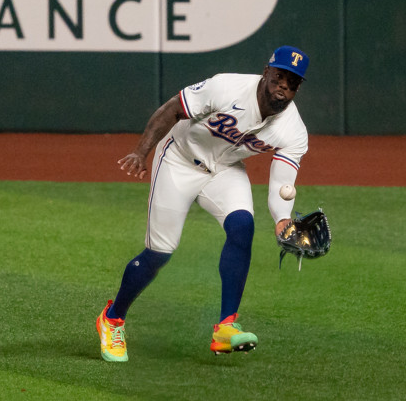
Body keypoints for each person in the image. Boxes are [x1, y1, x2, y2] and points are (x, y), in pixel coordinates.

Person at [96, 46, 310, 361]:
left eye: (293, 82)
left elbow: (283, 183)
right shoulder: (226, 86)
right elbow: (172, 110)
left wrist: (282, 218)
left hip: (224, 171)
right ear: (267, 72)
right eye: (280, 76)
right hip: (178, 160)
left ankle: (225, 328)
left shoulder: (293, 130)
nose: (284, 86)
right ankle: (112, 319)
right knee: (159, 252)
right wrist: (141, 151)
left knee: (242, 226)